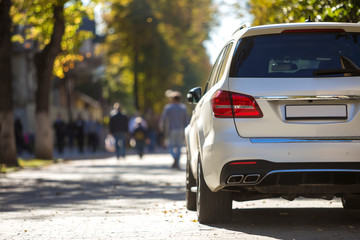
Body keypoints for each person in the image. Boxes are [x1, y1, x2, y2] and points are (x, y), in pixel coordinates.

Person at [159, 91, 189, 169]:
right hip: (181, 129)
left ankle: (174, 157)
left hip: (171, 129)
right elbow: (186, 120)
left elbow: (164, 119)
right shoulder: (183, 108)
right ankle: (177, 161)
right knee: (179, 146)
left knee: (171, 145)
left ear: (172, 99)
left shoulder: (168, 107)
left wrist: (162, 128)